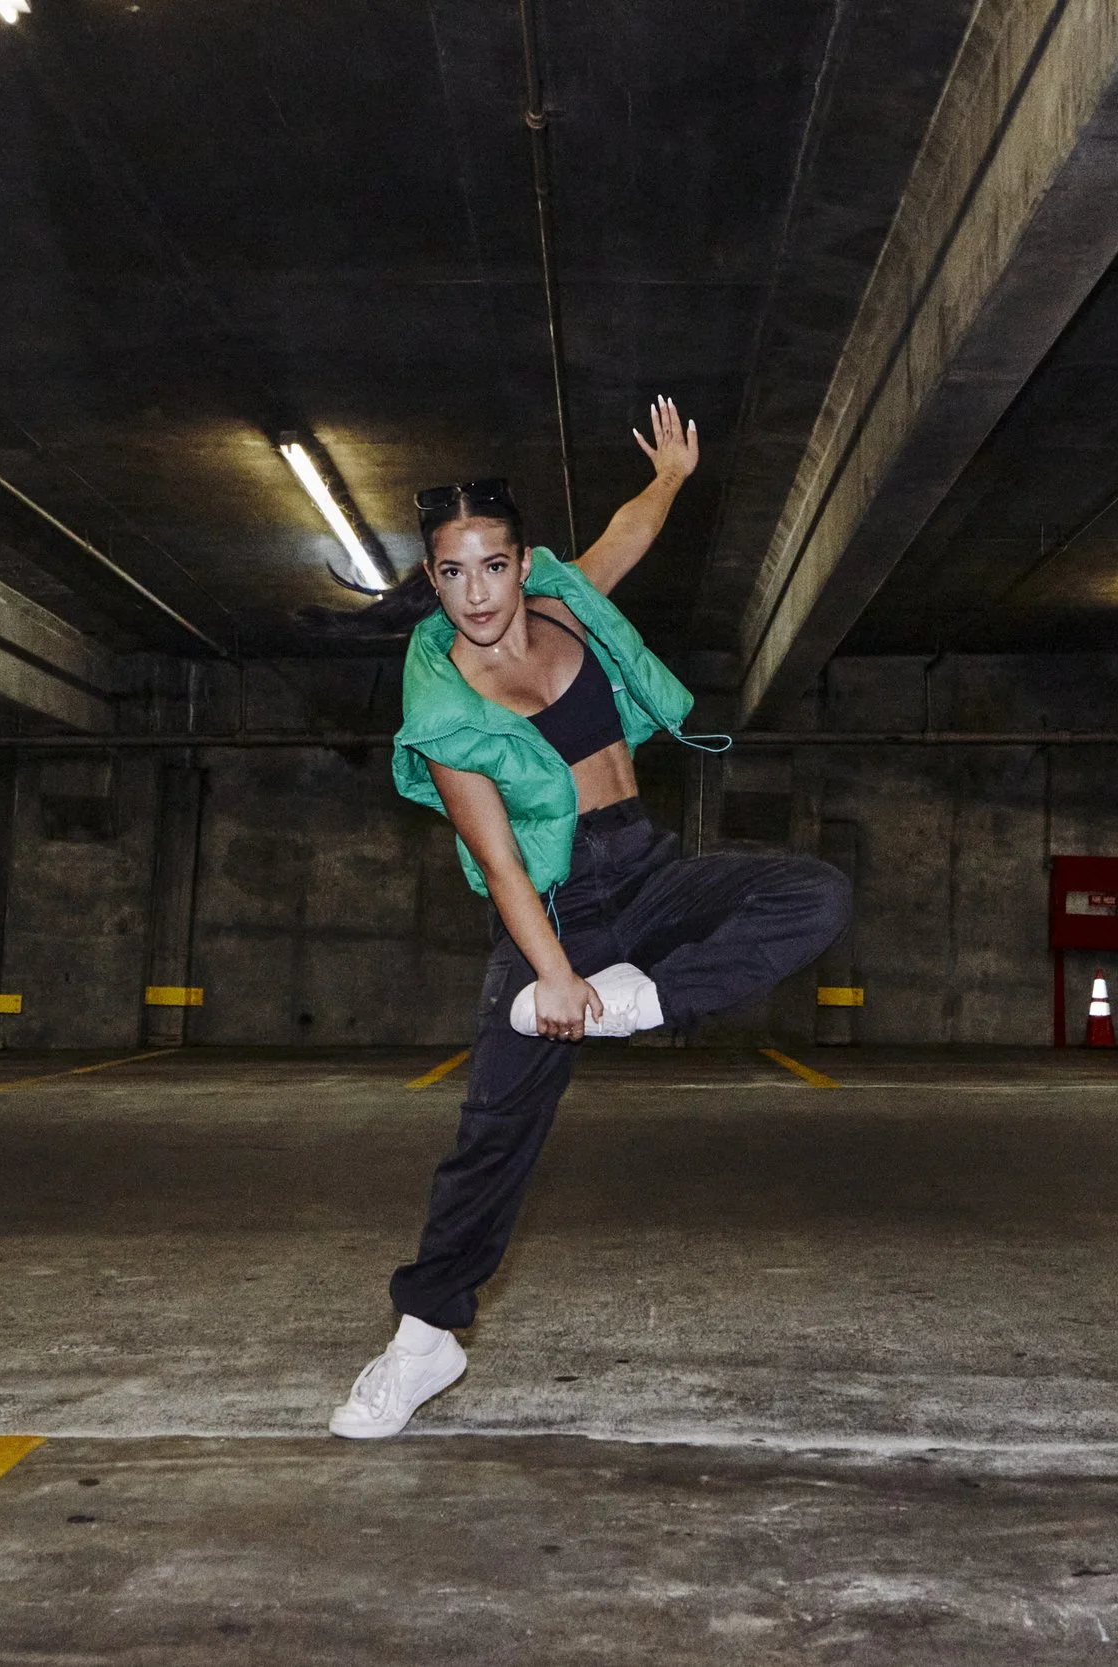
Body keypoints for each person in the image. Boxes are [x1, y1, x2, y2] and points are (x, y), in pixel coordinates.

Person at [329, 398, 853, 1439]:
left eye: (491, 564)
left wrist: (669, 476)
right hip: (553, 901)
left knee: (814, 893)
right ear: (430, 581)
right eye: (450, 572)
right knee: (492, 1134)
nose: (474, 593)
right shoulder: (446, 705)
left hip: (644, 866)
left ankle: (644, 1000)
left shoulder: (567, 604)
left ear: (525, 563)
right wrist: (553, 976)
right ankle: (422, 1340)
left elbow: (626, 535)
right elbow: (496, 856)